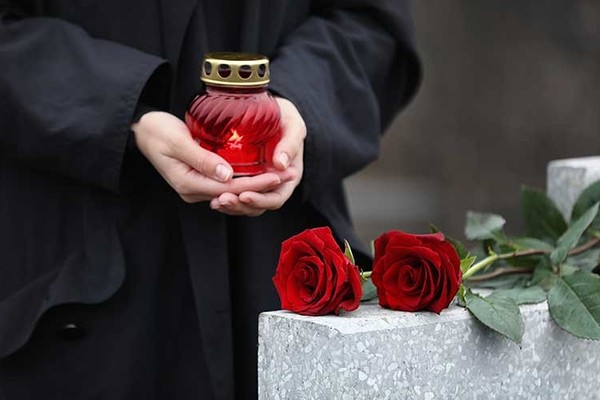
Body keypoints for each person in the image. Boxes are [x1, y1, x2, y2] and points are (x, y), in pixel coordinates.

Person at [0, 0, 421, 399]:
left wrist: (300, 105)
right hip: (73, 279)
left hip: (277, 267)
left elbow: (370, 21)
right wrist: (125, 112)